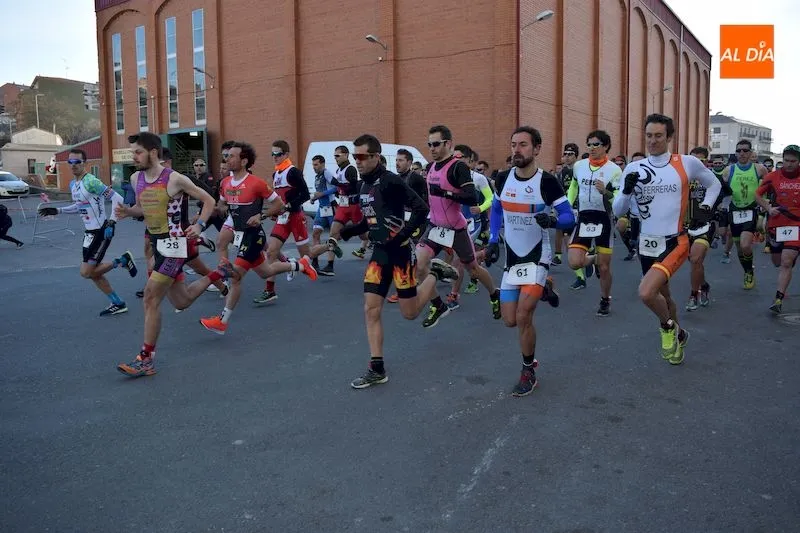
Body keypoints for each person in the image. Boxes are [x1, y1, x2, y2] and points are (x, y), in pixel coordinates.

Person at [115, 132, 239, 378]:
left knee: (150, 297)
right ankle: (221, 272)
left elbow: (209, 200)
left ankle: (146, 359)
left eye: (138, 152)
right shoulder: (136, 177)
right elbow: (142, 208)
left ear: (153, 152)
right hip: (156, 244)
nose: (134, 157)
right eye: (132, 153)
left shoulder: (174, 179)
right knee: (181, 301)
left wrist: (199, 225)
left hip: (174, 245)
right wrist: (128, 211)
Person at [339, 134, 455, 389]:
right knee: (371, 309)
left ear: (376, 157)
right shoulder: (363, 185)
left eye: (361, 156)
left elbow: (422, 208)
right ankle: (377, 368)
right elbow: (371, 219)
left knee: (409, 313)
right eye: (354, 156)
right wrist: (350, 230)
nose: (357, 161)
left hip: (401, 254)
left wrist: (404, 234)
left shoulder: (390, 181)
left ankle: (434, 273)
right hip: (380, 255)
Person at [612, 114, 721, 365]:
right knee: (663, 297)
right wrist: (626, 191)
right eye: (649, 135)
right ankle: (680, 334)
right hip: (646, 243)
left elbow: (714, 185)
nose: (652, 141)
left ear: (669, 137)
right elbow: (618, 211)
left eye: (658, 136)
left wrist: (705, 206)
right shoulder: (634, 168)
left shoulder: (687, 163)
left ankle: (667, 327)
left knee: (646, 292)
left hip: (675, 241)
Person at [485, 126, 573, 396]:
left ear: (536, 149)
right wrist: (492, 240)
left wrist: (553, 221)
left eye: (523, 144)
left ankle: (528, 370)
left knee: (524, 316)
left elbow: (569, 217)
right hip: (513, 257)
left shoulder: (547, 181)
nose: (517, 150)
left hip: (538, 255)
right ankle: (545, 287)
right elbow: (496, 209)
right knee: (510, 320)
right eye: (513, 144)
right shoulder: (502, 178)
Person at [200, 142, 317, 335]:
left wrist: (261, 216)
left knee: (236, 276)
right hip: (240, 235)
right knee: (266, 271)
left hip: (253, 236)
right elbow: (222, 207)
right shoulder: (225, 183)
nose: (227, 159)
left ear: (244, 161)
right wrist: (206, 213)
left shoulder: (256, 183)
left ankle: (222, 321)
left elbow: (278, 204)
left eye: (232, 156)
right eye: (226, 156)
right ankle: (300, 265)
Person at [415, 124, 501, 328]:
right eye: (429, 145)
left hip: (456, 229)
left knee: (474, 269)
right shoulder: (430, 167)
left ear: (448, 144)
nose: (432, 148)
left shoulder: (457, 167)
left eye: (436, 144)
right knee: (418, 265)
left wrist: (446, 193)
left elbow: (471, 198)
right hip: (435, 227)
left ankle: (494, 294)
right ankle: (438, 305)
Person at [37, 149, 137, 316]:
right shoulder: (73, 184)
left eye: (77, 162)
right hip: (89, 234)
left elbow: (117, 199)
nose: (73, 165)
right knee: (93, 274)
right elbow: (79, 206)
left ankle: (122, 261)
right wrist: (58, 210)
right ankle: (118, 303)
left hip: (102, 231)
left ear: (85, 163)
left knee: (86, 272)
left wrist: (112, 222)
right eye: (70, 162)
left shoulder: (91, 181)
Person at [566, 130, 621, 315]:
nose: (591, 148)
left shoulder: (614, 170)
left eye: (596, 144)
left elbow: (618, 200)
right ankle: (595, 259)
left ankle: (605, 299)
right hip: (584, 217)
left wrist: (606, 191)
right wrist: (568, 205)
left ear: (606, 146)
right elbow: (574, 186)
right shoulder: (579, 166)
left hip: (604, 218)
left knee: (604, 268)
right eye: (589, 144)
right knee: (574, 262)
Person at [254, 140, 312, 304]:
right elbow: (278, 198)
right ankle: (270, 290)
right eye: (272, 154)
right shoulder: (276, 174)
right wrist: (275, 211)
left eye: (278, 154)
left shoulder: (293, 172)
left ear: (286, 154)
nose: (275, 157)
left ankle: (328, 246)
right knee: (271, 252)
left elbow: (305, 194)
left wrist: (289, 205)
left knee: (306, 255)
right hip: (282, 218)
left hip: (296, 217)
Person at [755, 144, 800, 314]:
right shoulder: (773, 176)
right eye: (786, 160)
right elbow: (757, 194)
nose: (789, 164)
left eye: (793, 161)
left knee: (786, 261)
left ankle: (778, 299)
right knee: (777, 261)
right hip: (776, 224)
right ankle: (790, 257)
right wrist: (768, 208)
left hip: (796, 224)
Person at [685, 146, 730, 311]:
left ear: (706, 162)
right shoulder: (682, 177)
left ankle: (693, 295)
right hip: (685, 226)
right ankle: (703, 285)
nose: (696, 163)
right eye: (692, 160)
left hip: (706, 224)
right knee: (695, 262)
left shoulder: (713, 178)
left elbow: (728, 194)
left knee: (695, 259)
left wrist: (722, 209)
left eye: (700, 160)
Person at [720, 139, 768, 287]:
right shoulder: (728, 170)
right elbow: (722, 192)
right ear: (735, 153)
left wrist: (764, 205)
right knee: (740, 248)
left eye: (745, 150)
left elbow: (768, 187)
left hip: (751, 209)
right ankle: (748, 271)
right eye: (739, 150)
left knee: (745, 245)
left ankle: (749, 273)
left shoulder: (759, 169)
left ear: (751, 152)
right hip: (734, 210)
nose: (742, 153)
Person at [309, 154, 337, 273]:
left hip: (330, 207)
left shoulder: (326, 173)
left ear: (323, 164)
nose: (314, 167)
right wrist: (314, 198)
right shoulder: (317, 176)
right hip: (321, 208)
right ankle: (315, 262)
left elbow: (337, 187)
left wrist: (322, 194)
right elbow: (319, 192)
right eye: (313, 165)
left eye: (316, 165)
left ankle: (330, 265)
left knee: (333, 236)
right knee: (315, 234)